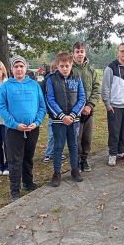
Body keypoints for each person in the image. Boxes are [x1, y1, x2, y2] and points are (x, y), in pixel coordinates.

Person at [0, 55, 46, 201]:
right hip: (14, 130)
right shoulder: (6, 86)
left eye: (21, 66)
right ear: (12, 69)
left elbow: (42, 107)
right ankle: (14, 190)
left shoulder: (34, 85)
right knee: (15, 160)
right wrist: (15, 124)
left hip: (32, 129)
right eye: (16, 66)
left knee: (28, 157)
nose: (19, 69)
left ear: (26, 68)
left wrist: (36, 122)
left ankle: (28, 183)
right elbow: (1, 107)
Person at [45, 52, 85, 186]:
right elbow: (50, 100)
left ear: (71, 64)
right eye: (61, 66)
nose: (65, 68)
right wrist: (62, 116)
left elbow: (82, 98)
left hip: (74, 120)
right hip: (58, 120)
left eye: (67, 66)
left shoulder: (77, 78)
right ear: (57, 65)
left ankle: (74, 169)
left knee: (74, 145)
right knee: (58, 147)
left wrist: (73, 115)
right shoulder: (51, 79)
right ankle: (57, 172)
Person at [101, 43, 124, 166]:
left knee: (123, 131)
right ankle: (112, 154)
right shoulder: (111, 67)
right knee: (114, 132)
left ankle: (120, 151)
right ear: (118, 53)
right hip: (115, 106)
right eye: (122, 51)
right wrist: (108, 104)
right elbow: (105, 87)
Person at [72, 41, 101, 172]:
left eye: (82, 51)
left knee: (87, 137)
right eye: (77, 52)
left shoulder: (91, 70)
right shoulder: (70, 69)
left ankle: (84, 159)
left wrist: (90, 105)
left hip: (89, 111)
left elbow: (96, 88)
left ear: (85, 53)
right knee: (76, 138)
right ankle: (77, 159)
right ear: (73, 53)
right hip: (74, 111)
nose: (80, 54)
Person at [43, 61, 67, 163]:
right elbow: (48, 98)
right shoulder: (49, 80)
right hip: (53, 114)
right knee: (52, 134)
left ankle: (59, 151)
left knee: (62, 135)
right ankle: (48, 153)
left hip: (64, 113)